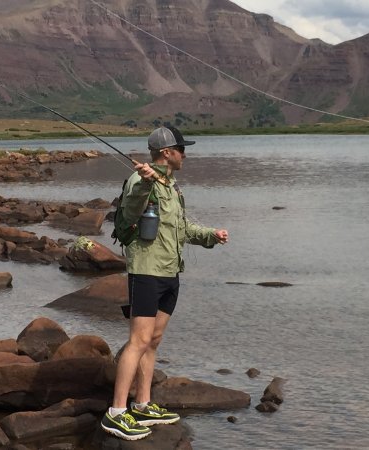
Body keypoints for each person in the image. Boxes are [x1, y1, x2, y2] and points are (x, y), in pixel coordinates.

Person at [101, 126, 229, 440]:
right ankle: (116, 413)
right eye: (182, 149)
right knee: (138, 341)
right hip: (146, 272)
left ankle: (143, 405)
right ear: (168, 153)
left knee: (153, 341)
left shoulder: (171, 186)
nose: (186, 154)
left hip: (170, 272)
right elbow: (131, 209)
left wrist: (211, 236)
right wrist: (145, 182)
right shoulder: (140, 180)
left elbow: (181, 228)